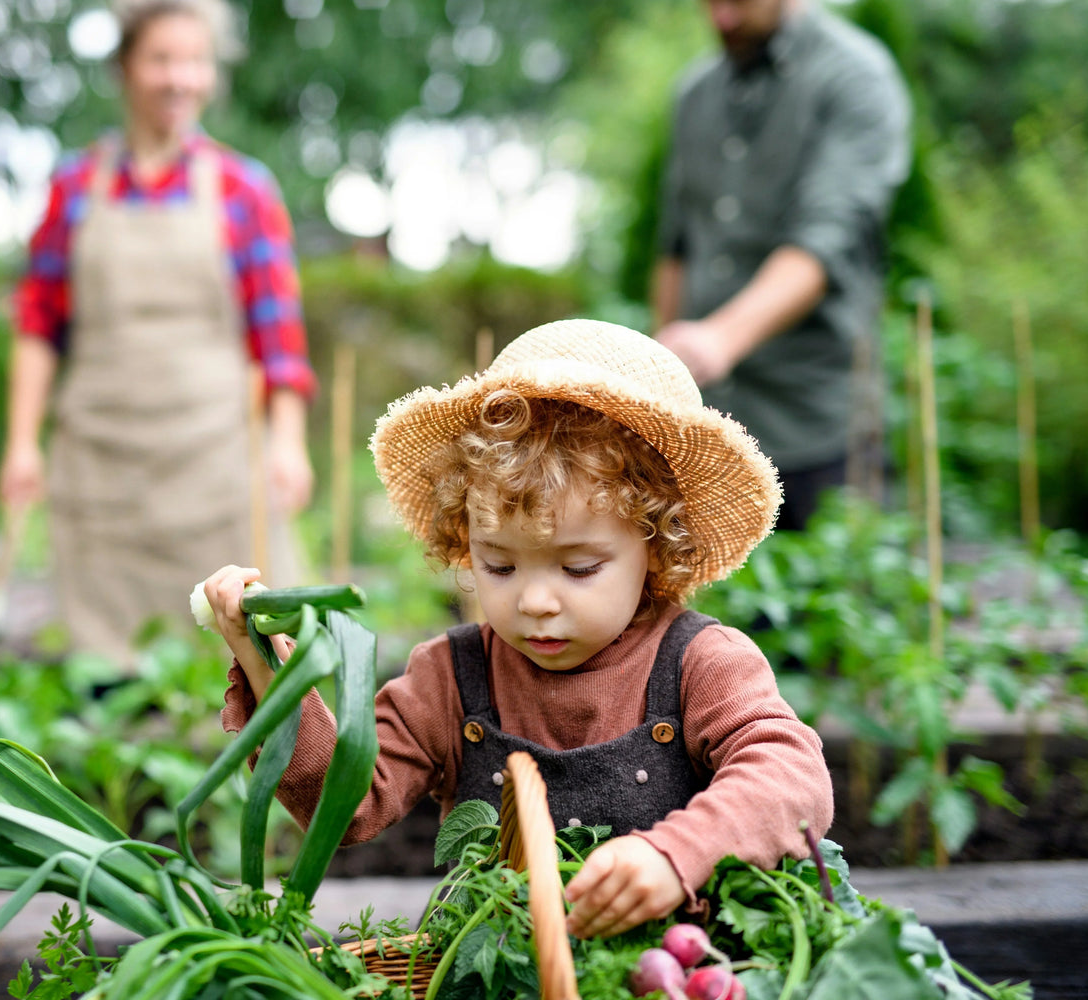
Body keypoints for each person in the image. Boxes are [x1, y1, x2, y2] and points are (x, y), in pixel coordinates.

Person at [202, 319, 833, 938]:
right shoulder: (450, 677)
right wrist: (273, 670)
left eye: (579, 568)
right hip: (486, 975)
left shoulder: (701, 663)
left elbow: (789, 777)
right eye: (498, 564)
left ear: (657, 546)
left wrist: (678, 854)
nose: (534, 601)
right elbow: (342, 806)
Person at [1, 0, 316, 666]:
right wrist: (22, 443)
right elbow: (37, 324)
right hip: (100, 466)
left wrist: (288, 444)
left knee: (241, 659)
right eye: (162, 59)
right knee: (105, 671)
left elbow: (277, 337)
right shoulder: (73, 187)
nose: (181, 79)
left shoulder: (243, 188)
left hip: (216, 463)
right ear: (124, 67)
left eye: (196, 61)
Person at [651, 0, 911, 530]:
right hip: (711, 432)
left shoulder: (855, 76)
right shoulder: (695, 94)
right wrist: (663, 378)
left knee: (833, 601)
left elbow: (822, 242)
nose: (720, 17)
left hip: (817, 424)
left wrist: (720, 339)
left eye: (737, 2)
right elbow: (676, 246)